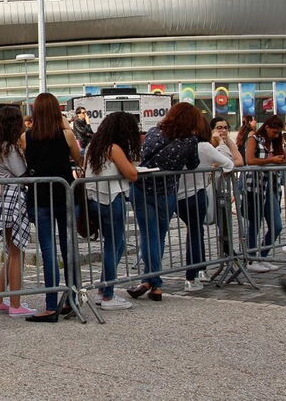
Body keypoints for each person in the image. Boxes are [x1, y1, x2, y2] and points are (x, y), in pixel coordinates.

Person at [127, 102, 201, 302]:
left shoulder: (154, 131)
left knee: (148, 234)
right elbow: (193, 165)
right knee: (158, 236)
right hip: (166, 191)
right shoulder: (190, 140)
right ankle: (154, 283)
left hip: (141, 188)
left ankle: (151, 281)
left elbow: (143, 156)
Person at [22, 92, 81, 322]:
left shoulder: (26, 137)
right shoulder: (66, 134)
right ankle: (72, 299)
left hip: (40, 198)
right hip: (64, 195)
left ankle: (49, 305)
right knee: (69, 250)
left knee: (48, 252)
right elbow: (78, 158)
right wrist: (64, 123)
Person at [83, 112, 141, 310]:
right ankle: (107, 294)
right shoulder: (113, 148)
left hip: (94, 198)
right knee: (114, 244)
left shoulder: (93, 146)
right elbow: (132, 174)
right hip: (112, 197)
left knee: (115, 244)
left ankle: (103, 289)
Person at [0, 106, 35, 317]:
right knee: (17, 253)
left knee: (12, 253)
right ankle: (15, 303)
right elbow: (22, 173)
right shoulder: (9, 148)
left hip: (2, 201)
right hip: (12, 199)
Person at [173, 114, 234, 289]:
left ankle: (198, 270)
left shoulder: (178, 144)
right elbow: (229, 163)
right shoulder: (204, 146)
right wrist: (221, 146)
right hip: (196, 193)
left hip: (178, 196)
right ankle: (193, 275)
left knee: (193, 232)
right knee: (196, 233)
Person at [243, 116, 286, 271]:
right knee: (254, 223)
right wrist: (271, 160)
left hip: (271, 187)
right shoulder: (253, 139)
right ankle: (251, 259)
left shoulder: (276, 140)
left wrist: (282, 155)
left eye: (278, 133)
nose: (276, 135)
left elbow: (285, 157)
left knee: (276, 225)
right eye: (274, 132)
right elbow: (249, 160)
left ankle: (262, 256)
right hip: (255, 186)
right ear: (267, 127)